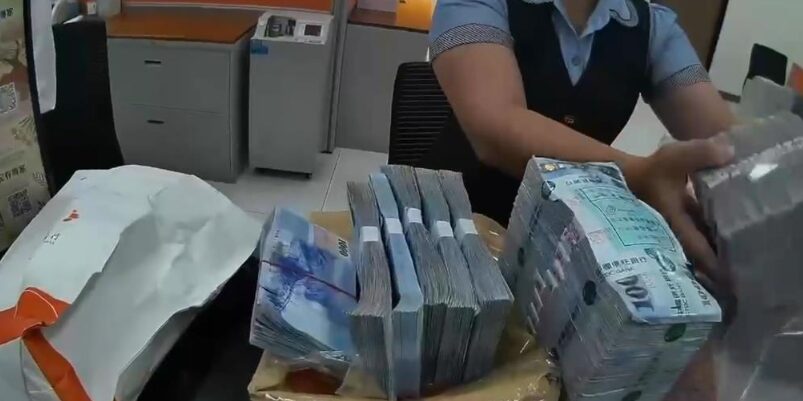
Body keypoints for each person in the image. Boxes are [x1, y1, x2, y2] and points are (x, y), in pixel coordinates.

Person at [422, 0, 735, 285]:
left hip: (555, 257)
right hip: (444, 234)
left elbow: (728, 141)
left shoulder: (651, 27)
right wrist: (638, 175)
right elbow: (494, 125)